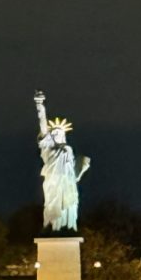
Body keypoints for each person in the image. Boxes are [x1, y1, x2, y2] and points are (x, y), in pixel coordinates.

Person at [33, 92, 90, 231]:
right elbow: (43, 126)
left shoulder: (68, 150)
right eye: (54, 133)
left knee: (70, 204)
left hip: (68, 181)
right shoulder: (48, 147)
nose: (56, 135)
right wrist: (40, 107)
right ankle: (52, 228)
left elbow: (73, 171)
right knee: (52, 204)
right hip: (53, 180)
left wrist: (81, 168)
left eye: (60, 133)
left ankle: (68, 227)